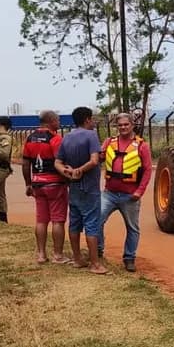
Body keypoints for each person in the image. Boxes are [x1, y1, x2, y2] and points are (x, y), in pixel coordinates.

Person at [55, 106, 107, 274]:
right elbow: (93, 160)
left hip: (74, 188)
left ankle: (77, 259)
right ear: (87, 120)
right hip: (89, 188)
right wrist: (79, 170)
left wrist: (68, 172)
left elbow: (57, 162)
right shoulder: (91, 136)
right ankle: (95, 264)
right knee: (92, 224)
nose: (92, 122)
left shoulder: (67, 137)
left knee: (75, 223)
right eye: (91, 119)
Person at [99, 112, 153, 272]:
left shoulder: (142, 146)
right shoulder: (109, 142)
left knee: (132, 228)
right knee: (97, 220)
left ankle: (129, 258)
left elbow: (148, 170)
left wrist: (140, 191)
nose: (122, 127)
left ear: (132, 125)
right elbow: (98, 158)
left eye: (126, 124)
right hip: (109, 193)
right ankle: (98, 251)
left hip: (130, 196)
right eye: (120, 125)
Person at [22, 110, 68, 264]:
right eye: (58, 120)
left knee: (41, 220)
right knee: (57, 220)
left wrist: (28, 183)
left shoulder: (30, 137)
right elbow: (59, 161)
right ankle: (58, 255)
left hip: (37, 184)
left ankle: (41, 254)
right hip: (54, 183)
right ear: (51, 121)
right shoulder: (55, 138)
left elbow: (26, 163)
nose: (59, 122)